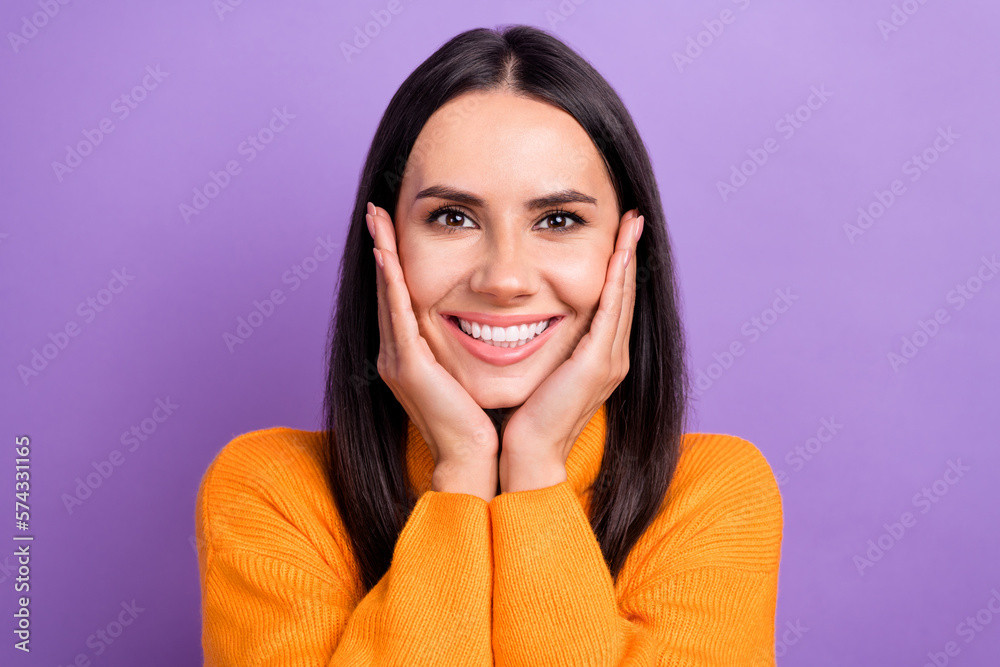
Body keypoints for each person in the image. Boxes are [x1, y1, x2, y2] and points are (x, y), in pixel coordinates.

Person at [195, 24, 783, 665]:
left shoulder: (715, 495)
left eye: (558, 221)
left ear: (628, 248)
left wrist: (535, 468)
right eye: (452, 217)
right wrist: (460, 474)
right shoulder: (271, 493)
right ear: (384, 242)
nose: (504, 279)